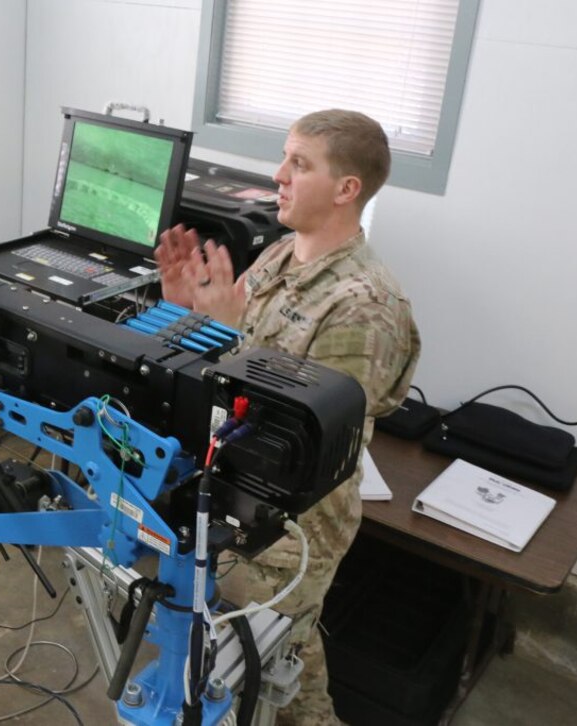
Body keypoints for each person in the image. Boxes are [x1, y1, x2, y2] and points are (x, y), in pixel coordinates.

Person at [155, 109, 420, 725]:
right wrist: (185, 310)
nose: (278, 175)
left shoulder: (366, 307)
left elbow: (309, 438)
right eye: (284, 158)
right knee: (284, 658)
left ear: (346, 188)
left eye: (299, 164)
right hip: (236, 497)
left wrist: (224, 335)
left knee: (260, 667)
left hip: (293, 528)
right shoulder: (280, 255)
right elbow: (223, 366)